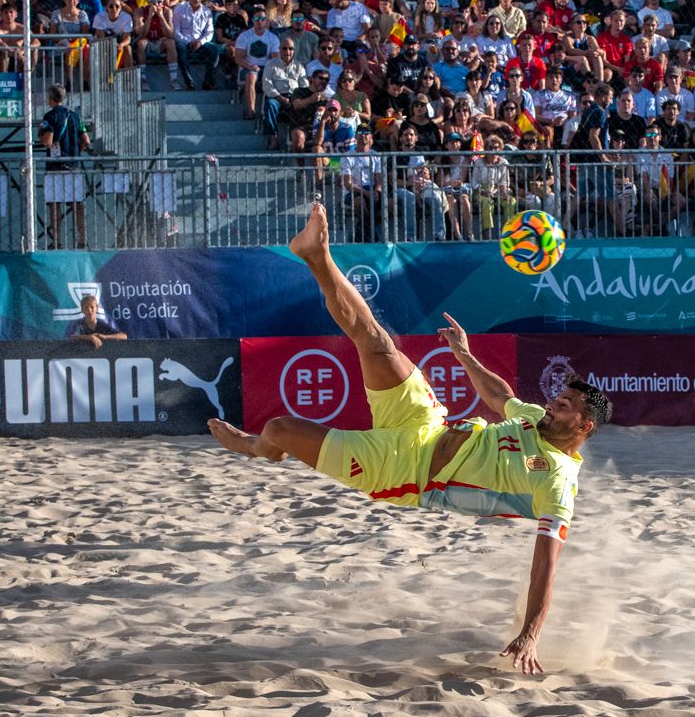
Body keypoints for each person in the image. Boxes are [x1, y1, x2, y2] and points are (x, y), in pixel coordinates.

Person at [208, 203, 612, 675]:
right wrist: (464, 355)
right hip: (429, 423)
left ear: (583, 428)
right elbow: (500, 395)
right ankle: (316, 255)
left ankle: (257, 448)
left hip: (406, 473)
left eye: (565, 406)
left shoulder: (559, 482)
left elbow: (546, 564)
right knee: (377, 341)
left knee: (277, 429)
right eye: (559, 398)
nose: (554, 404)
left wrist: (530, 632)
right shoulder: (538, 418)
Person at [39, 83, 91, 249]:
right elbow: (86, 141)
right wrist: (76, 152)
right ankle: (82, 239)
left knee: (55, 205)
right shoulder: (74, 116)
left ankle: (57, 241)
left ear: (50, 98)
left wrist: (40, 134)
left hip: (55, 167)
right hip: (73, 166)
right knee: (78, 204)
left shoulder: (49, 117)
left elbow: (48, 142)